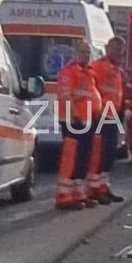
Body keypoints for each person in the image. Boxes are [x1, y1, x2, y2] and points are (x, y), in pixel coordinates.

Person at [54, 40, 103, 210]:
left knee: (84, 157)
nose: (86, 55)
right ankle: (65, 195)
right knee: (72, 157)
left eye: (88, 52)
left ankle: (78, 192)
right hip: (73, 121)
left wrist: (97, 111)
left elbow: (91, 95)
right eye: (83, 52)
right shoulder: (70, 72)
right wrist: (75, 115)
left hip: (87, 119)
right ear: (74, 53)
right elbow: (66, 96)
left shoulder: (88, 72)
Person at [91, 36, 127, 203]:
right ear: (107, 49)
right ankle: (96, 189)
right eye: (115, 50)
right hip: (100, 116)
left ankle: (104, 187)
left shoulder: (118, 70)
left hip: (113, 116)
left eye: (120, 51)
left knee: (109, 154)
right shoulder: (98, 67)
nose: (118, 53)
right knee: (99, 154)